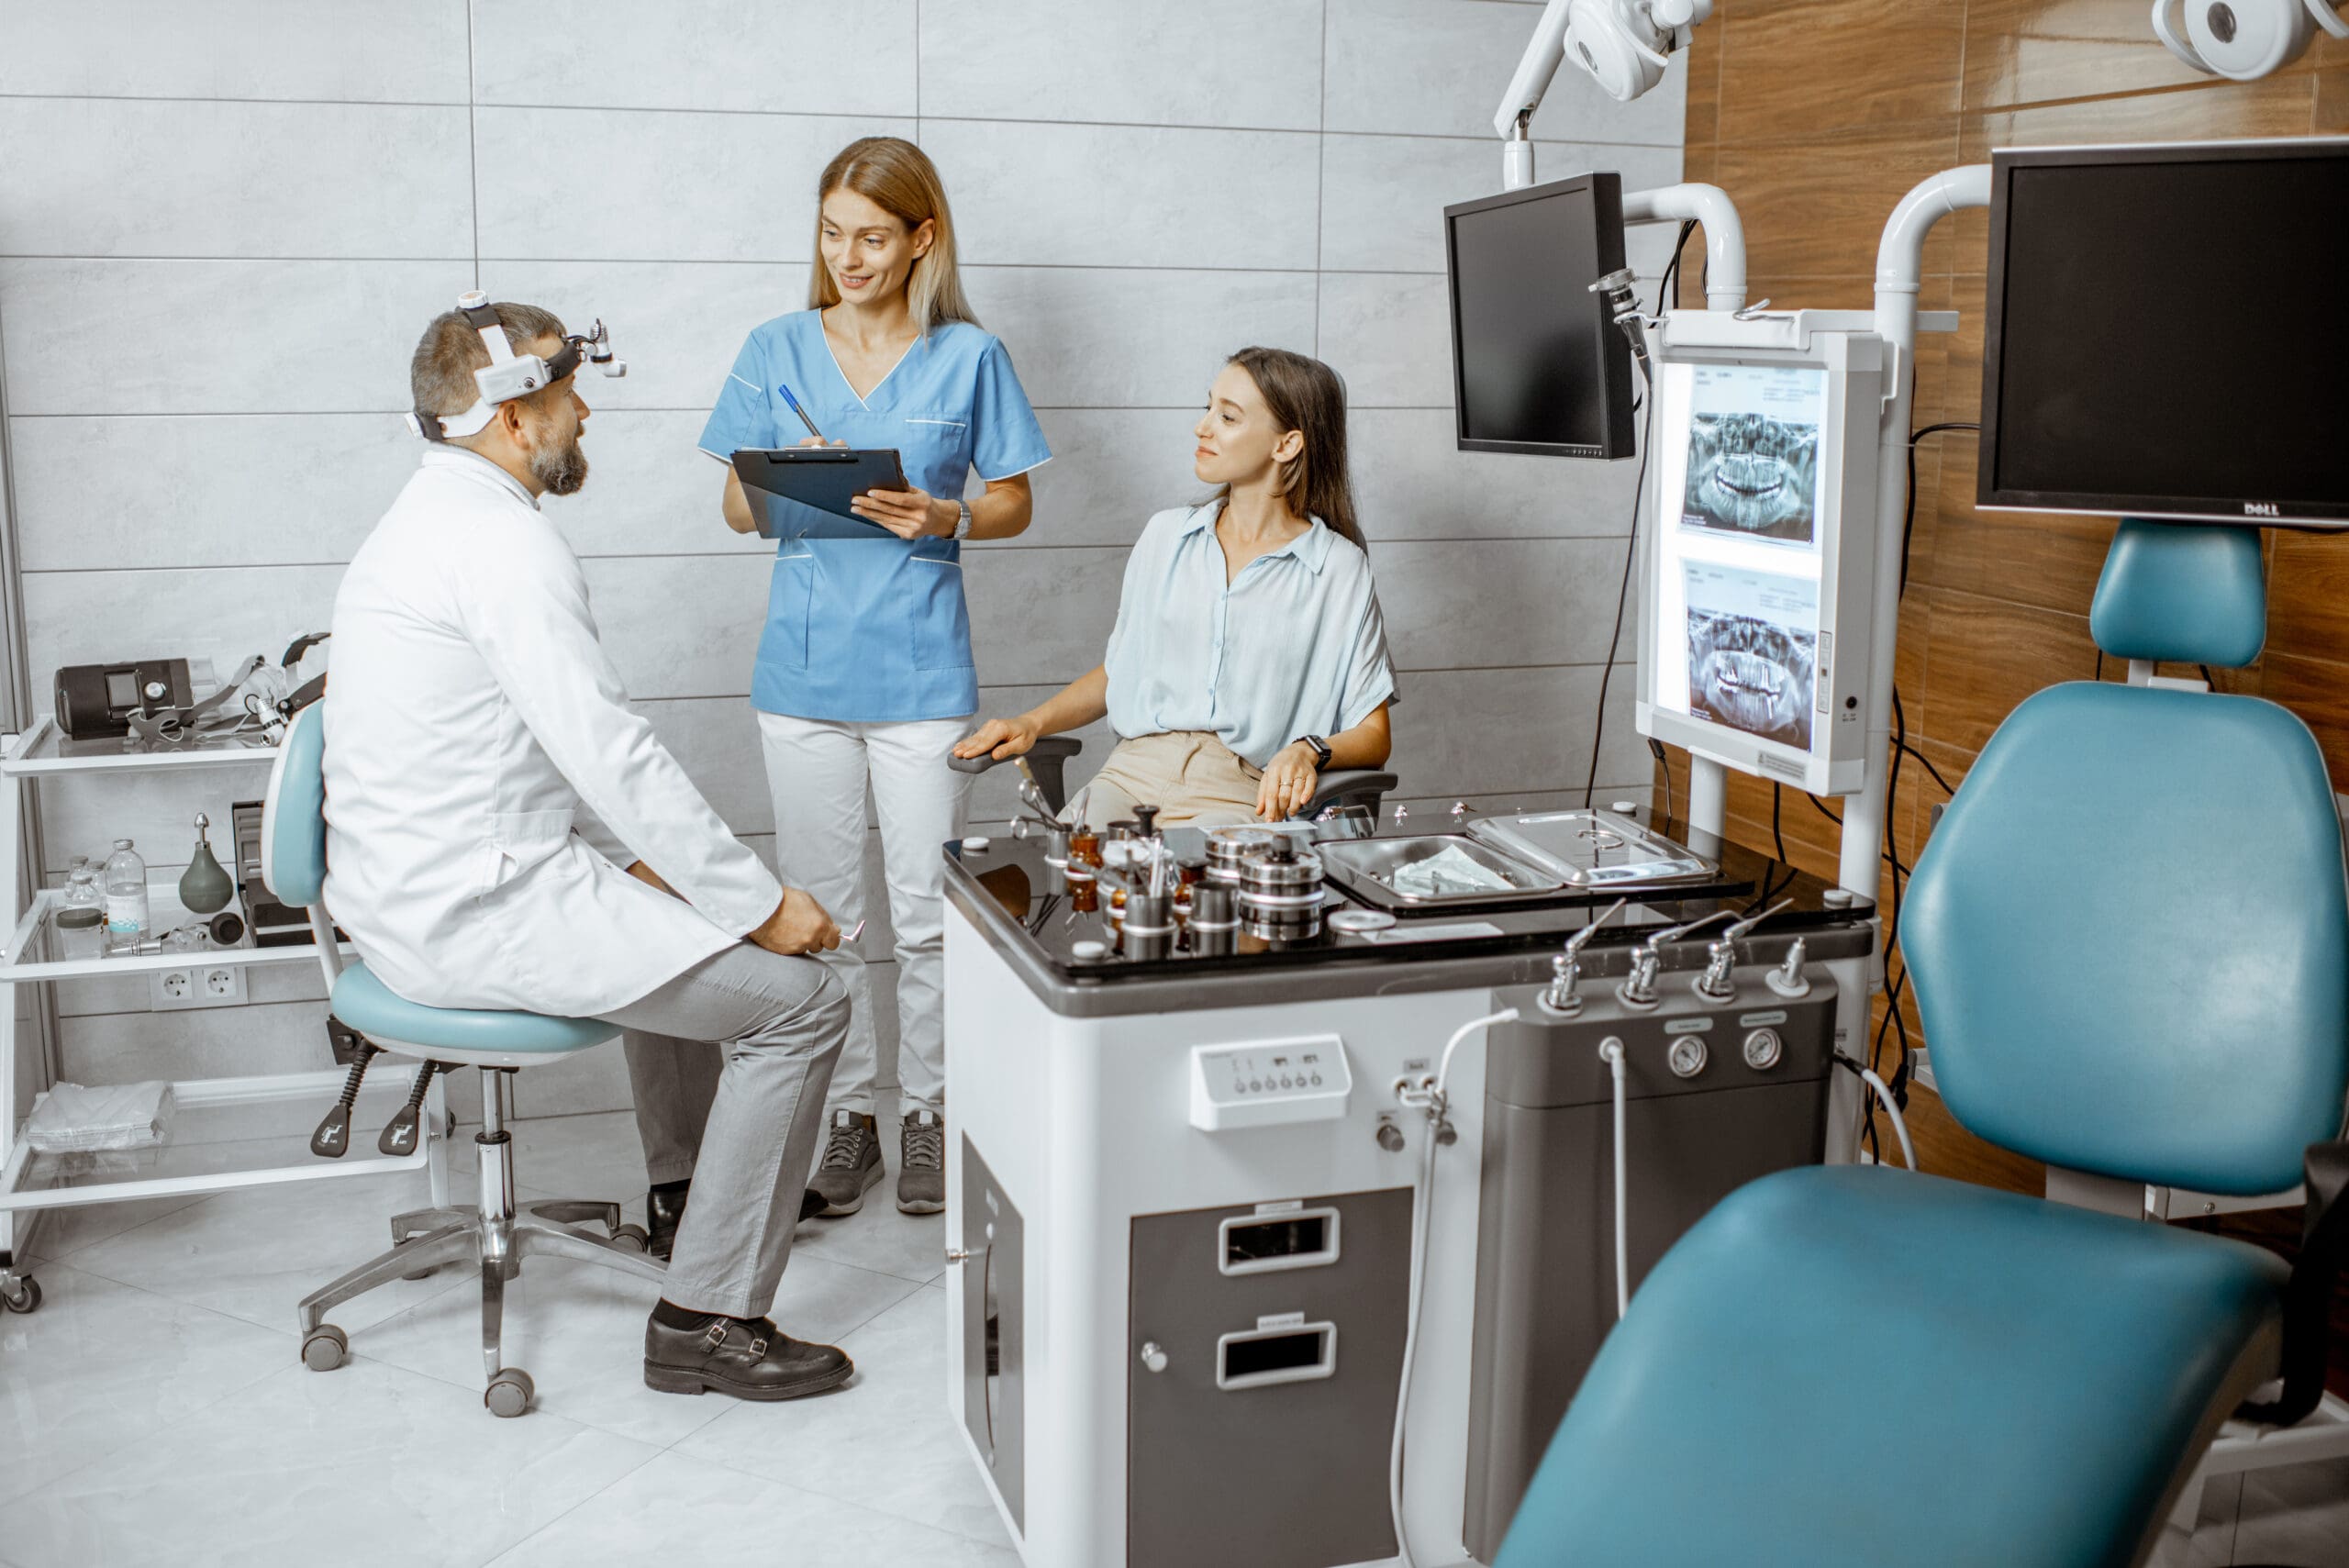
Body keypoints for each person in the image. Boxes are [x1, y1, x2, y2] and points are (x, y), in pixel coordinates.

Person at [325, 297, 856, 1403]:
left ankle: (689, 1196)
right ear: (516, 415)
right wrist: (757, 903)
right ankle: (708, 1315)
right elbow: (608, 748)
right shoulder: (502, 543)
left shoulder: (424, 521)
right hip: (479, 905)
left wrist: (677, 876)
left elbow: (534, 748)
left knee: (677, 917)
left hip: (422, 886)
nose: (581, 419)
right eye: (569, 396)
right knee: (803, 1000)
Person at [674, 135, 1051, 1225]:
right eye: (833, 234)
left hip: (923, 671)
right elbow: (737, 508)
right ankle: (846, 1116)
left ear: (921, 237)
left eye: (873, 236)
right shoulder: (775, 346)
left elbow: (1017, 501)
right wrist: (803, 479)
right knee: (828, 917)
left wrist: (947, 513)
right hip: (801, 676)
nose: (849, 255)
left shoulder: (969, 356)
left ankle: (928, 1110)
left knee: (929, 916)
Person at [956, 347, 1394, 826]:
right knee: (1071, 882)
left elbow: (1373, 732)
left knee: (1188, 895)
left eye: (1227, 416)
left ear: (1286, 445)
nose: (1202, 426)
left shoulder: (1338, 568)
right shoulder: (1166, 536)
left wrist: (1310, 750)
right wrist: (1030, 722)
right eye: (1208, 407)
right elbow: (1121, 669)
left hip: (1240, 794)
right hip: (1128, 777)